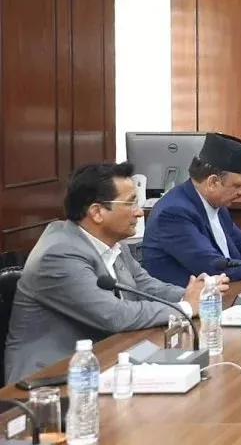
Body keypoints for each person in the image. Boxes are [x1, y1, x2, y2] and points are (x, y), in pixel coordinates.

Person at [5, 162, 229, 383]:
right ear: (97, 212)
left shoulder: (112, 242)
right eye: (131, 203)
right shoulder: (58, 254)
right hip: (50, 380)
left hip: (105, 360)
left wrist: (197, 293)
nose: (139, 212)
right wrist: (186, 307)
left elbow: (146, 286)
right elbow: (112, 315)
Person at [142, 132, 241, 286]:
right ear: (213, 182)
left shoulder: (217, 204)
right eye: (238, 185)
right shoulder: (173, 213)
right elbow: (213, 266)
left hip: (224, 290)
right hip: (185, 300)